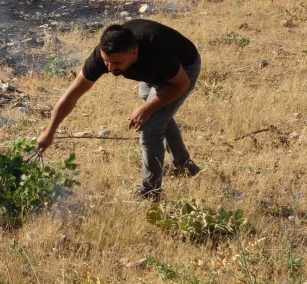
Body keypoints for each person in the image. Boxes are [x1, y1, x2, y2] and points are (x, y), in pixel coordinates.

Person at [36, 19, 201, 201]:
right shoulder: (102, 57)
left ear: (134, 52)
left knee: (150, 127)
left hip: (182, 69)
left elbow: (181, 84)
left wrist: (146, 108)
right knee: (159, 116)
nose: (110, 68)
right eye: (107, 61)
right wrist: (49, 131)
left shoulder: (155, 48)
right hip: (152, 74)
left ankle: (150, 192)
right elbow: (72, 94)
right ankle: (183, 165)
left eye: (117, 63)